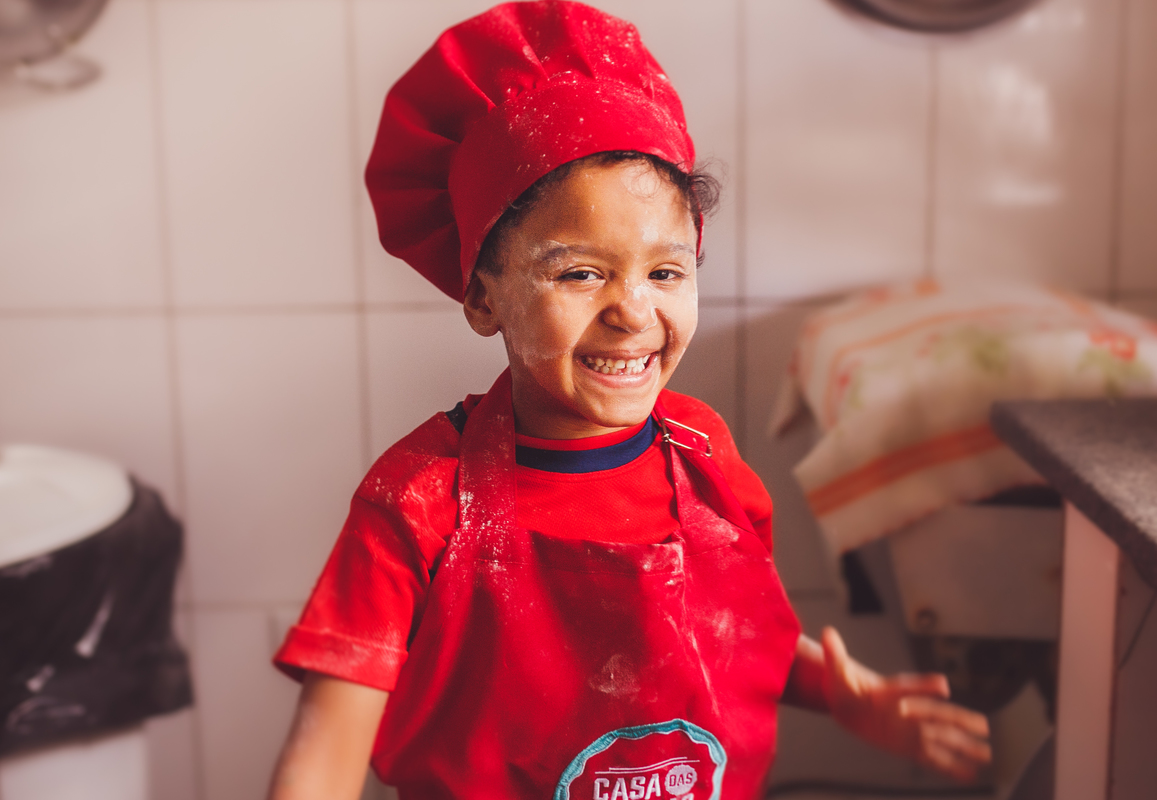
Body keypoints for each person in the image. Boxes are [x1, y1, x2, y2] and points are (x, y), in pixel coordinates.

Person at [267, 3, 991, 798]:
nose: (634, 311)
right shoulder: (416, 504)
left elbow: (737, 635)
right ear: (483, 296)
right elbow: (325, 756)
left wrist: (845, 699)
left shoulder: (705, 451)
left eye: (667, 272)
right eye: (580, 273)